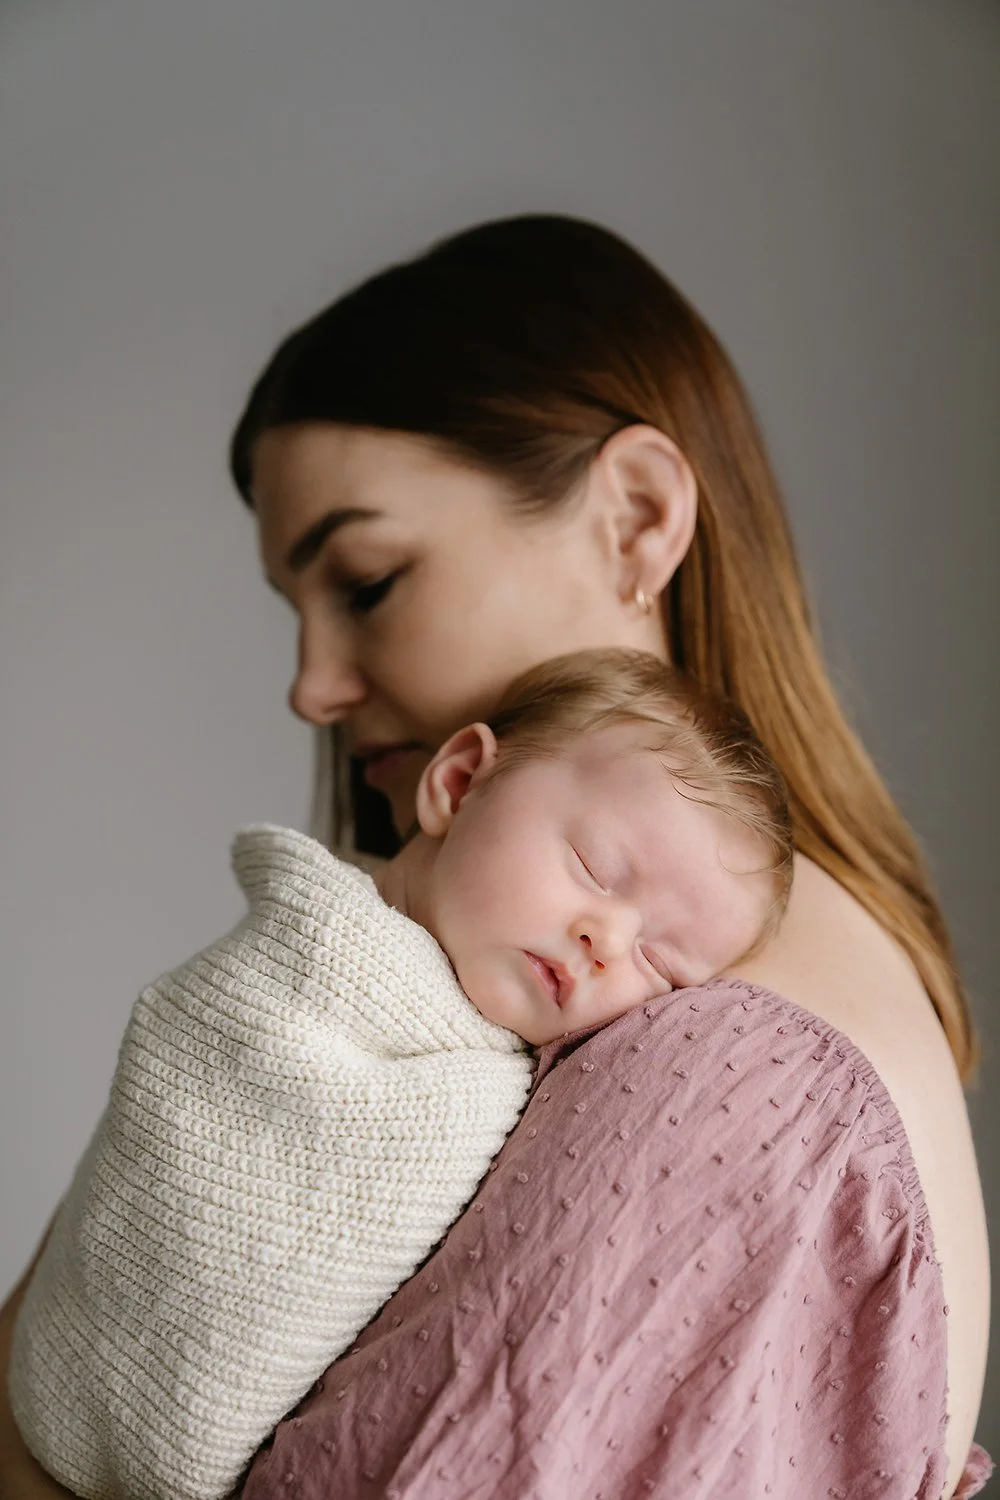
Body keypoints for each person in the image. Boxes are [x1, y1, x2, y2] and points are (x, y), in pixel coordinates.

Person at [0, 212, 991, 1499]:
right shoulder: (478, 1001)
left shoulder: (735, 1069)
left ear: (634, 518)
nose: (310, 685)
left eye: (364, 581)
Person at [7, 648, 791, 1500]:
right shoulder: (292, 959)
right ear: (457, 785)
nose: (607, 939)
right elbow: (181, 1079)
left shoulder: (534, 1100)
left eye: (661, 963)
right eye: (597, 869)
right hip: (43, 1385)